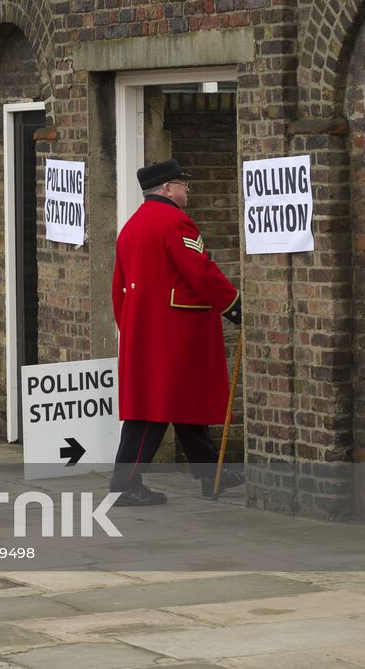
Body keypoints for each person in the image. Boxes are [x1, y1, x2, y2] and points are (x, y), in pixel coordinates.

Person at [110, 159, 244, 506]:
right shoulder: (176, 223)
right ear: (167, 188)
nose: (187, 191)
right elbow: (201, 272)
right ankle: (125, 485)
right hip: (175, 334)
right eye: (183, 185)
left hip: (147, 333)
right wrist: (234, 305)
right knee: (153, 411)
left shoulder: (132, 226)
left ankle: (210, 474)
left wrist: (133, 330)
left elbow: (118, 289)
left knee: (185, 406)